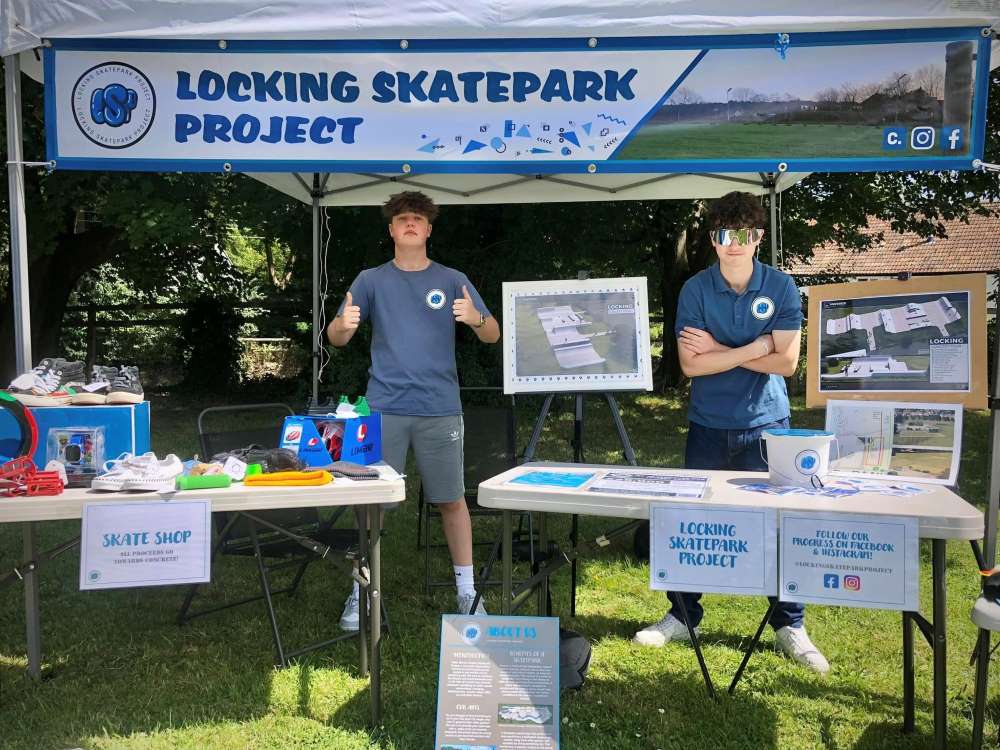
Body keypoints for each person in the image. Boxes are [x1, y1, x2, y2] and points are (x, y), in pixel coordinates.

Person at [632, 191, 829, 674]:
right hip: (707, 426)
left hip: (767, 426)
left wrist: (721, 349)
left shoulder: (781, 287)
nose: (733, 244)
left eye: (743, 235)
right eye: (724, 235)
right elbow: (690, 366)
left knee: (776, 527)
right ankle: (683, 614)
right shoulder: (695, 289)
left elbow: (786, 364)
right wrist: (752, 346)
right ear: (714, 240)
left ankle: (790, 625)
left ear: (757, 237)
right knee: (691, 523)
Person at [328, 190, 501, 628]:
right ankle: (361, 592)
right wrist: (343, 327)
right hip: (384, 409)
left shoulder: (451, 279)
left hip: (440, 408)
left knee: (451, 500)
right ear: (391, 229)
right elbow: (336, 336)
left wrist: (476, 320)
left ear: (428, 229)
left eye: (417, 219)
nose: (409, 224)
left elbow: (493, 334)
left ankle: (467, 593)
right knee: (373, 502)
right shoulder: (370, 280)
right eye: (402, 218)